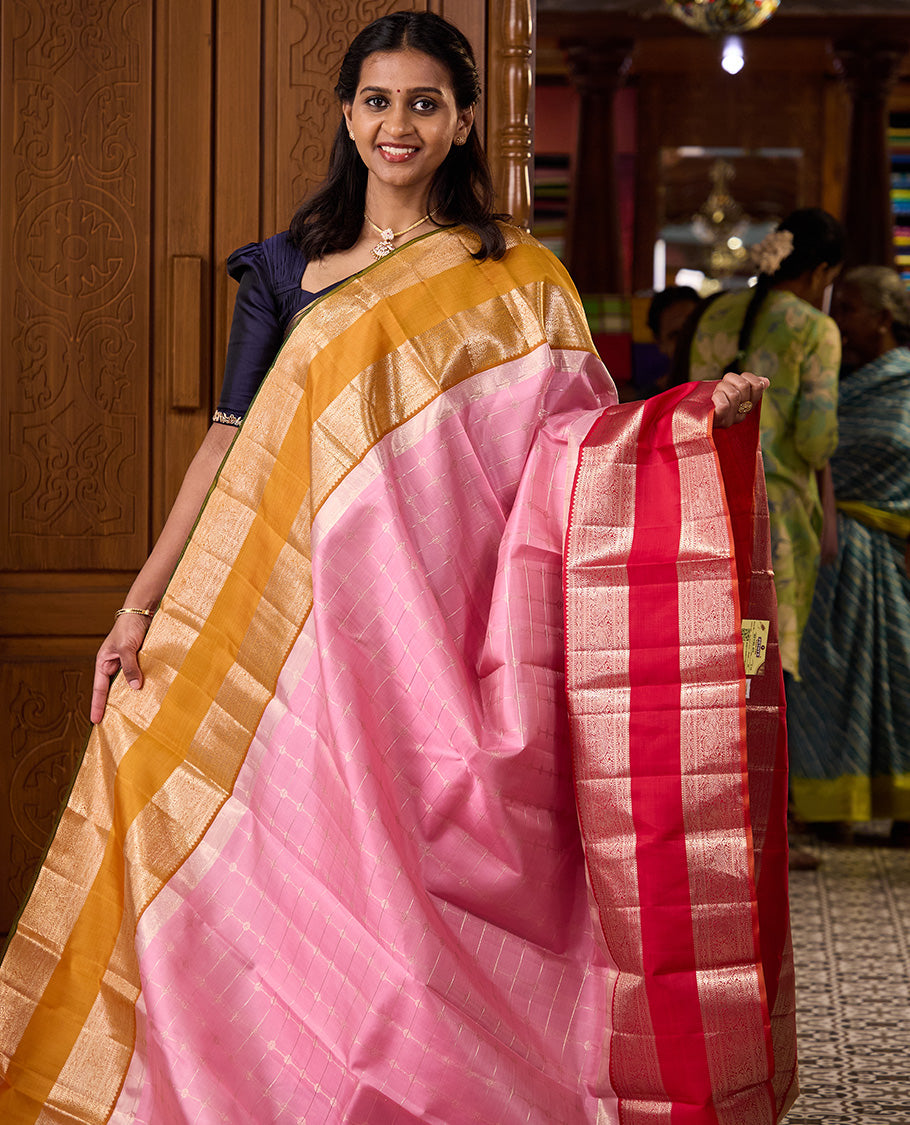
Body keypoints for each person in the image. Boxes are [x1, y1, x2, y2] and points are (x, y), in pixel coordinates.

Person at [0, 13, 792, 1124]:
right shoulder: (286, 269)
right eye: (377, 101)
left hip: (427, 646)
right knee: (208, 825)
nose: (398, 125)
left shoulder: (514, 278)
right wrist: (140, 606)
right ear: (346, 113)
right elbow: (228, 440)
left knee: (401, 901)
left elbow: (579, 451)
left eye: (425, 103)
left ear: (465, 120)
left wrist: (689, 425)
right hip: (282, 636)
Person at [690, 208, 845, 685]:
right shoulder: (815, 329)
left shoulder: (715, 311)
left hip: (707, 505)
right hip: (777, 519)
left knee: (717, 655)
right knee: (765, 661)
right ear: (820, 273)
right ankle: (759, 754)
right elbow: (815, 440)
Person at [788, 266, 910, 844]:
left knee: (901, 680)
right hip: (829, 554)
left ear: (885, 319)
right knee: (827, 679)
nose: (837, 321)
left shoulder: (903, 382)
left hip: (895, 555)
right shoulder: (826, 377)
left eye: (851, 309)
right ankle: (828, 803)